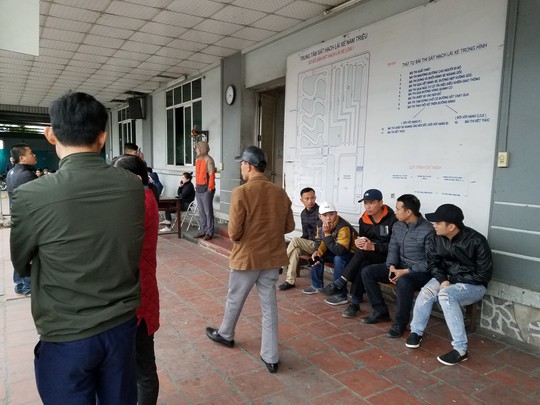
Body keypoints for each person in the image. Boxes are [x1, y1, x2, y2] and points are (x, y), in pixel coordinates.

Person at [10, 92, 145, 404]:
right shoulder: (132, 185)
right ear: (103, 137)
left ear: (51, 135)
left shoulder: (32, 195)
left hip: (66, 333)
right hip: (121, 327)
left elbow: (20, 263)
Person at [206, 146, 294, 374]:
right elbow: (289, 226)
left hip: (247, 257)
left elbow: (234, 233)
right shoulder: (280, 192)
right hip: (272, 257)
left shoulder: (241, 192)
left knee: (235, 299)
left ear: (249, 165)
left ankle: (226, 334)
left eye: (242, 164)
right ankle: (271, 357)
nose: (241, 168)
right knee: (269, 307)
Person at [405, 204, 493, 366]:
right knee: (427, 291)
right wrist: (443, 279)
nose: (434, 225)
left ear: (451, 227)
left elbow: (483, 275)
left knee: (446, 295)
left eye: (438, 222)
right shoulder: (434, 237)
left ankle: (460, 350)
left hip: (474, 285)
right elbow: (433, 264)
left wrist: (453, 280)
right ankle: (416, 331)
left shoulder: (477, 241)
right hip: (446, 278)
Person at [113, 155, 161, 402]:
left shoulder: (140, 202)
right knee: (139, 364)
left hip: (138, 292)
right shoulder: (142, 197)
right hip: (139, 285)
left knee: (143, 367)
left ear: (134, 177)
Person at [361, 194, 433, 338]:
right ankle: (380, 311)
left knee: (404, 281)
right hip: (399, 266)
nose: (395, 212)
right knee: (368, 272)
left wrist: (405, 271)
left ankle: (400, 323)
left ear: (408, 212)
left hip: (420, 272)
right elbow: (393, 248)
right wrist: (392, 266)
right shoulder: (398, 225)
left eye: (398, 209)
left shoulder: (428, 230)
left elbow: (430, 262)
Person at [321, 189, 397, 318]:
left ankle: (340, 283)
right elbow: (363, 238)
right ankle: (354, 303)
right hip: (369, 255)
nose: (368, 206)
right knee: (363, 265)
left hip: (388, 257)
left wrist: (374, 247)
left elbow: (395, 246)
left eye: (372, 203)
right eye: (366, 203)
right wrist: (359, 242)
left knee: (361, 256)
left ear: (381, 203)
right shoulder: (364, 219)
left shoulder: (393, 220)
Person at [302, 201, 357, 299]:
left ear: (336, 213)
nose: (328, 218)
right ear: (320, 216)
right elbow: (320, 241)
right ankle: (316, 286)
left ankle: (340, 295)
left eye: (331, 214)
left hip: (351, 254)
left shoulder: (343, 226)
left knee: (338, 259)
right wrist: (318, 251)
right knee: (317, 256)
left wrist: (327, 234)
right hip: (335, 249)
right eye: (325, 215)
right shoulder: (320, 224)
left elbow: (341, 251)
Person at [6, 143, 38, 296]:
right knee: (29, 252)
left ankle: (19, 285)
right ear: (22, 158)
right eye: (31, 153)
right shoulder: (26, 175)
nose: (34, 155)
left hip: (17, 216)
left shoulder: (12, 172)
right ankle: (28, 287)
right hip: (28, 218)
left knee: (21, 251)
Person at [278, 187, 319, 291]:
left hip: (319, 246)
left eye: (312, 198)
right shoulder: (303, 214)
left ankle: (281, 264)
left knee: (295, 240)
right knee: (295, 250)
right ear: (302, 200)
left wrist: (298, 242)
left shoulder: (320, 212)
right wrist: (300, 243)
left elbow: (323, 236)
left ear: (315, 198)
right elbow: (305, 234)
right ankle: (290, 281)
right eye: (307, 198)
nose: (310, 201)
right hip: (309, 244)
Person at [194, 141, 216, 240]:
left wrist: (210, 188)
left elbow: (212, 175)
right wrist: (196, 186)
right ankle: (202, 230)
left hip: (207, 189)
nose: (196, 150)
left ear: (202, 148)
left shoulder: (209, 160)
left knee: (208, 212)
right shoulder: (197, 160)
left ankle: (209, 232)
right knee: (201, 211)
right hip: (199, 188)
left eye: (197, 148)